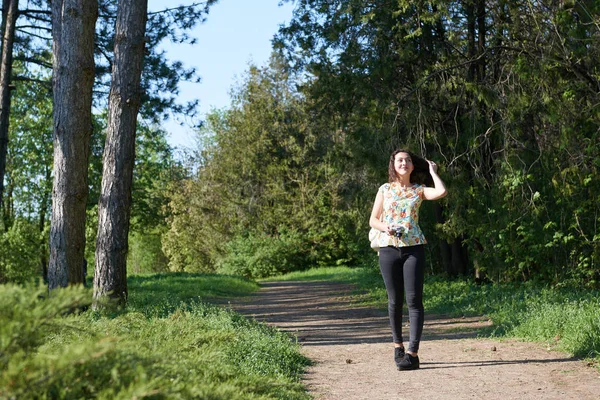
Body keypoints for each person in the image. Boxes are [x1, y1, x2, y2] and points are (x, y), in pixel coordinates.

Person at [369, 149, 447, 371]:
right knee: (394, 300)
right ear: (393, 165)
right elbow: (373, 220)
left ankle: (413, 354)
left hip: (414, 249)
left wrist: (432, 171)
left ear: (413, 166)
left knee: (414, 300)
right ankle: (398, 347)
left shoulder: (418, 191)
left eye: (408, 160)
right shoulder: (385, 189)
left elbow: (441, 191)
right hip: (388, 249)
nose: (404, 163)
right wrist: (386, 227)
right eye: (399, 160)